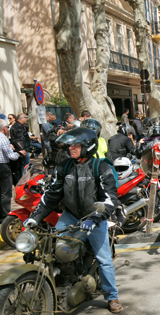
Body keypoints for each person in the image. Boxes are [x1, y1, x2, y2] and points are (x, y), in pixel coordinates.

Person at [23, 128, 123, 313]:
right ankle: (60, 285)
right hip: (70, 216)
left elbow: (110, 199)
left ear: (88, 146)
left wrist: (95, 218)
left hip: (93, 217)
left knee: (104, 259)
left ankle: (112, 296)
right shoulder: (65, 167)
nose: (71, 148)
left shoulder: (101, 167)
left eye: (75, 144)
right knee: (53, 249)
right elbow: (51, 195)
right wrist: (35, 218)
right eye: (70, 145)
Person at [136, 125, 160, 214]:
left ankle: (155, 208)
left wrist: (139, 143)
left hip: (151, 170)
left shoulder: (146, 143)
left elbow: (138, 154)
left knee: (153, 188)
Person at [0, 120, 20, 222]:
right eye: (7, 127)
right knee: (5, 192)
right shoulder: (3, 138)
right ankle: (5, 217)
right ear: (4, 128)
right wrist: (18, 154)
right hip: (3, 166)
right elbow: (10, 156)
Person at [9, 113, 30, 183]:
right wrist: (22, 149)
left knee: (22, 166)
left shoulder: (18, 126)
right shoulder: (18, 126)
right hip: (22, 150)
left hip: (21, 149)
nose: (27, 119)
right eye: (25, 117)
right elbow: (19, 139)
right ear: (21, 118)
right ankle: (24, 182)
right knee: (25, 166)